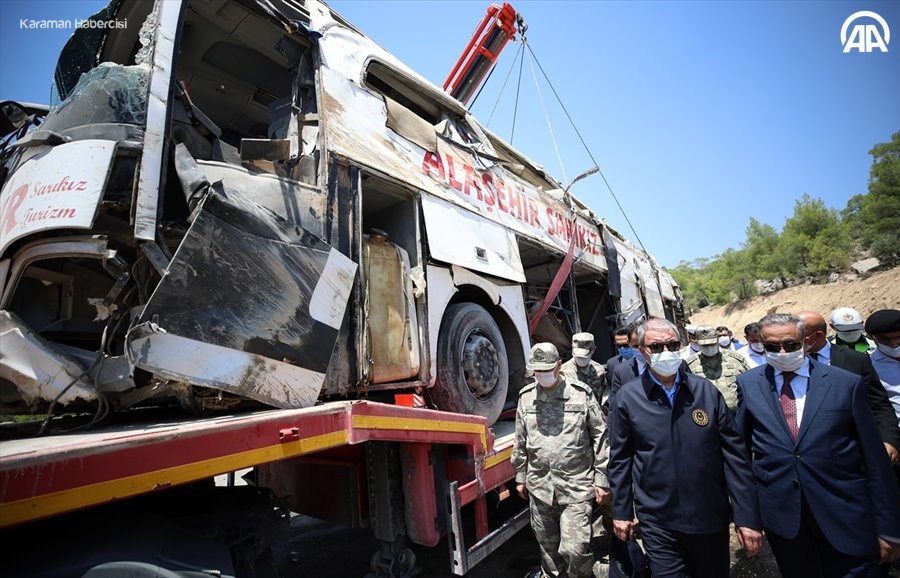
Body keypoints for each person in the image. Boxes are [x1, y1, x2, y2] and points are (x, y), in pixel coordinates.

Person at [736, 313, 900, 577]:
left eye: (790, 345)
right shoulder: (749, 383)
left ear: (806, 342)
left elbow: (875, 460)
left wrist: (889, 527)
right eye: (771, 347)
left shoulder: (844, 383)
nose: (781, 352)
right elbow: (740, 456)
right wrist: (746, 517)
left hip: (844, 513)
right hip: (785, 519)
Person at [608, 317, 763, 578]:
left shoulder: (705, 392)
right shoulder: (629, 397)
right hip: (659, 521)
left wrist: (746, 517)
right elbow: (621, 458)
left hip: (709, 515)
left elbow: (735, 456)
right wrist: (622, 511)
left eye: (672, 345)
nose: (666, 353)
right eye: (657, 347)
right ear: (643, 351)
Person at [513, 343, 609, 578]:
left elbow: (600, 435)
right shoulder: (526, 398)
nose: (542, 375)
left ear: (558, 365)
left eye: (547, 370)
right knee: (548, 552)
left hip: (576, 485)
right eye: (537, 371)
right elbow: (520, 438)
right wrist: (520, 476)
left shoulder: (581, 393)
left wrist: (602, 478)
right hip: (540, 487)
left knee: (575, 549)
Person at [797, 310, 900, 465]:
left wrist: (889, 439)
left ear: (817, 335)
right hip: (807, 453)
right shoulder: (786, 364)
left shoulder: (856, 361)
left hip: (853, 452)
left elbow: (878, 404)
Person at [686, 325, 751, 414]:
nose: (709, 347)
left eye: (712, 344)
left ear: (717, 340)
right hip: (709, 418)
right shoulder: (690, 364)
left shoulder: (736, 359)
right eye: (705, 345)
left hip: (738, 415)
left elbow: (750, 384)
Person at [867, 309, 900, 426]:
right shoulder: (868, 366)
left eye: (898, 337)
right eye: (885, 339)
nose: (893, 344)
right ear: (872, 337)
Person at [561, 332, 609, 407]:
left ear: (593, 350)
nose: (581, 359)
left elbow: (604, 392)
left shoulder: (599, 370)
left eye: (584, 356)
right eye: (578, 356)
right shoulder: (563, 372)